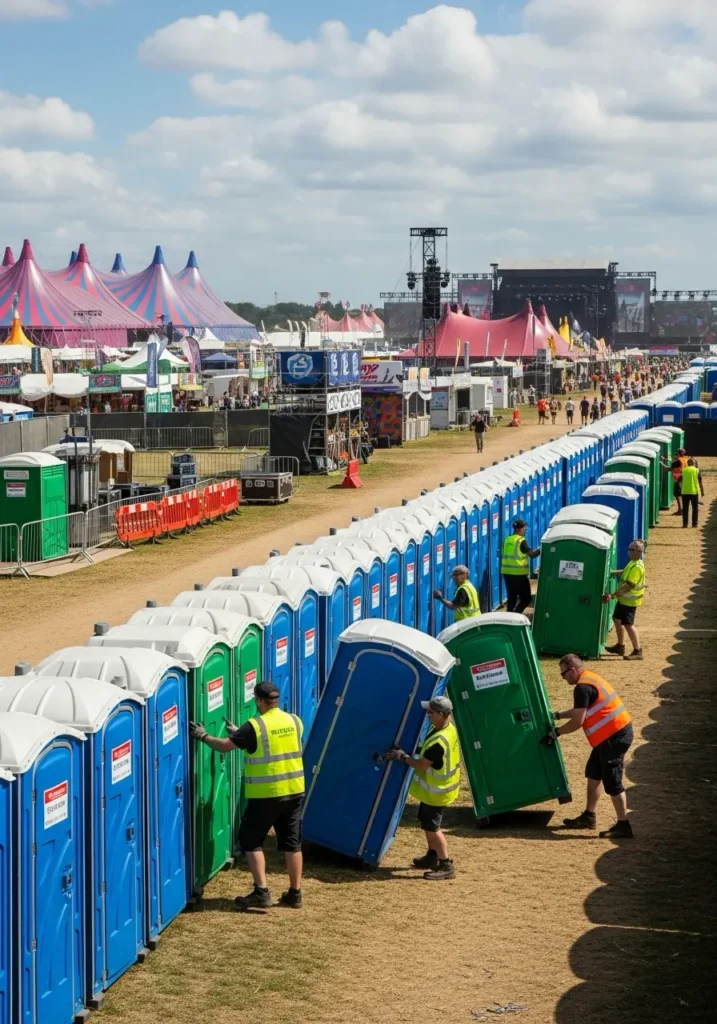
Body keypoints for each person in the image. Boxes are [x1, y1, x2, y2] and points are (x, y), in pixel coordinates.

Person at [188, 680, 305, 910]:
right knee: (292, 842)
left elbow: (223, 746)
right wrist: (239, 734)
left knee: (250, 840)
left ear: (260, 700)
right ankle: (295, 893)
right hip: (295, 791)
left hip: (267, 793)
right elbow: (275, 742)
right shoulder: (294, 720)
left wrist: (202, 735)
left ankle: (261, 892)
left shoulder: (255, 725)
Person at [552, 654, 634, 839]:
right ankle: (589, 817)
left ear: (573, 670)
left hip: (614, 737)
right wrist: (557, 715)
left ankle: (623, 825)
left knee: (612, 781)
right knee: (594, 772)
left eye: (563, 674)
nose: (563, 678)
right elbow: (581, 710)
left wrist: (556, 733)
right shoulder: (589, 679)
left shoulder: (582, 688)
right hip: (610, 736)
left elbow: (578, 721)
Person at [385, 695, 460, 880]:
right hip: (439, 790)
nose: (428, 715)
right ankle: (431, 857)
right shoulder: (448, 728)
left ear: (442, 714)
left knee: (432, 827)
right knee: (427, 824)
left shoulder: (438, 742)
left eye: (431, 712)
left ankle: (446, 865)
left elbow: (421, 765)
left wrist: (402, 757)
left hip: (437, 792)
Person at [603, 539, 645, 660]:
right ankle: (620, 646)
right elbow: (626, 572)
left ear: (638, 552)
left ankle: (637, 651)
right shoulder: (633, 562)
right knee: (616, 619)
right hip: (624, 600)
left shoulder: (637, 566)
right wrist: (613, 573)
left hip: (629, 601)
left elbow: (628, 586)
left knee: (628, 625)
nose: (629, 552)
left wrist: (612, 595)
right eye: (629, 549)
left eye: (631, 550)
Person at [501, 518, 539, 614]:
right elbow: (532, 555)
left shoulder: (507, 540)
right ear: (518, 529)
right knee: (526, 598)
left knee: (512, 597)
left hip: (507, 573)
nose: (524, 531)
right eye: (523, 529)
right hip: (519, 574)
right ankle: (516, 615)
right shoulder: (521, 540)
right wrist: (542, 548)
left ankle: (508, 617)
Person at [680, 458, 704, 528]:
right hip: (694, 491)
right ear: (694, 463)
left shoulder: (684, 470)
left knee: (685, 508)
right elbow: (700, 481)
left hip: (685, 491)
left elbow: (679, 480)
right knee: (695, 508)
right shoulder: (697, 470)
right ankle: (694, 523)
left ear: (688, 463)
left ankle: (685, 524)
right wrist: (702, 491)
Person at [669, 447, 687, 515]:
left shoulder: (678, 460)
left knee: (677, 495)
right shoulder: (684, 459)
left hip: (678, 479)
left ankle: (680, 510)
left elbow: (670, 468)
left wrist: (661, 463)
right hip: (683, 478)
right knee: (679, 494)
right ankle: (681, 509)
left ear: (678, 453)